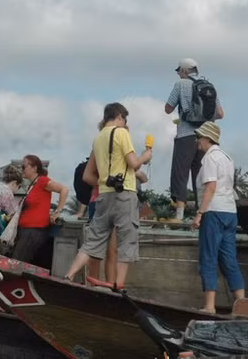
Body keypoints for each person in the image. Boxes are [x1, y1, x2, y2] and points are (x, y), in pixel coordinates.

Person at [64, 102, 153, 289]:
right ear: (119, 116)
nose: (124, 123)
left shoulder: (98, 138)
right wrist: (146, 155)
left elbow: (88, 175)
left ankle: (69, 275)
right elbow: (134, 163)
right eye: (124, 119)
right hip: (125, 194)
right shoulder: (122, 133)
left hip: (104, 195)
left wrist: (105, 181)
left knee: (94, 240)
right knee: (126, 241)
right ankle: (118, 284)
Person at [190, 122, 245, 313]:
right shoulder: (227, 158)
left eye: (199, 137)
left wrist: (199, 214)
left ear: (207, 139)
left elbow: (210, 188)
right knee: (229, 259)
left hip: (213, 212)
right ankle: (242, 305)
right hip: (230, 212)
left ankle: (209, 306)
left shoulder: (210, 159)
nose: (197, 141)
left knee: (208, 257)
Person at [164, 58, 224, 222]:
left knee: (180, 174)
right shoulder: (209, 86)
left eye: (179, 71)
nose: (178, 74)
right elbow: (220, 113)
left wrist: (187, 115)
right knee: (201, 175)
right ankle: (202, 214)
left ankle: (179, 215)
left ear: (184, 71)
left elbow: (168, 109)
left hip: (185, 135)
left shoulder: (180, 85)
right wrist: (203, 118)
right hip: (205, 138)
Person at [12, 155, 68, 267]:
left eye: (24, 166)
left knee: (16, 264)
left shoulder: (42, 181)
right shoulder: (32, 185)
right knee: (19, 263)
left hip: (33, 232)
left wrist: (57, 211)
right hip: (26, 231)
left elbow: (64, 189)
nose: (22, 169)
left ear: (34, 168)